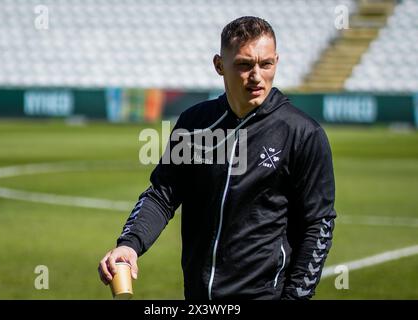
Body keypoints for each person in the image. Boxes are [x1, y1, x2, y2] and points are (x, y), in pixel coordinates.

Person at [98, 16, 336, 300]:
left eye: (266, 64)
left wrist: (296, 297)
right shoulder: (194, 123)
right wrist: (129, 244)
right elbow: (162, 195)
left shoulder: (302, 134)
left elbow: (318, 224)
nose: (257, 76)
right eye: (244, 65)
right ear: (219, 65)